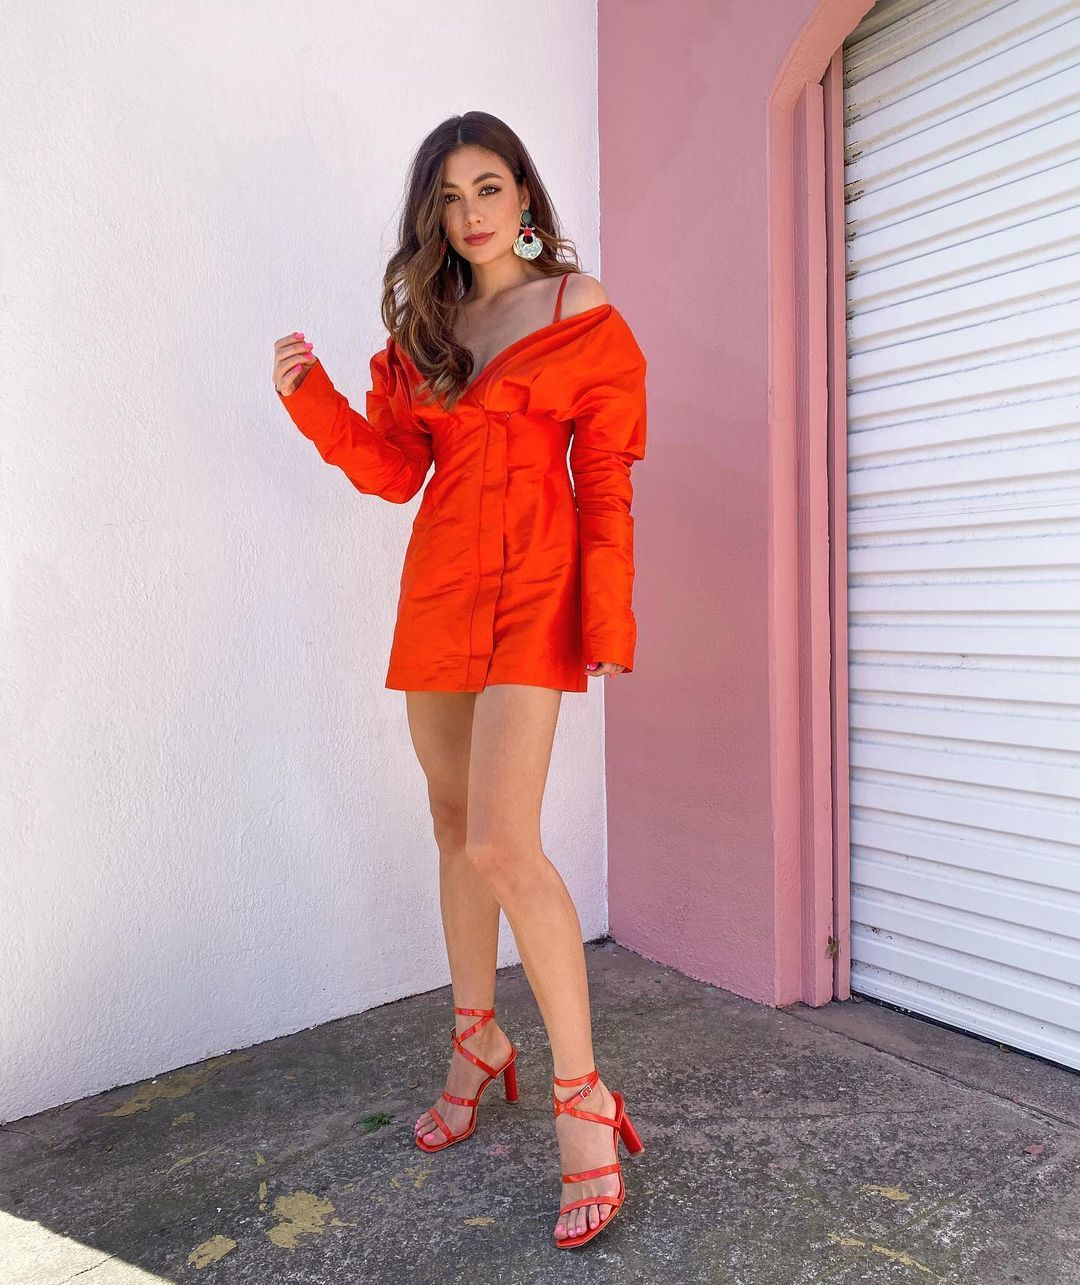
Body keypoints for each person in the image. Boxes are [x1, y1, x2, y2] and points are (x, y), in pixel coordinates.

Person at [272, 110, 647, 1251]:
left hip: (535, 593)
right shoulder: (428, 327)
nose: (472, 212)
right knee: (450, 825)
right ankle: (476, 1038)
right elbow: (398, 472)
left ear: (524, 196)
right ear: (431, 215)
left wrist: (605, 613)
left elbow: (604, 477)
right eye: (449, 195)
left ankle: (583, 1096)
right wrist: (315, 399)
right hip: (439, 591)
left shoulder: (579, 309)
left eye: (489, 187)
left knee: (502, 841)